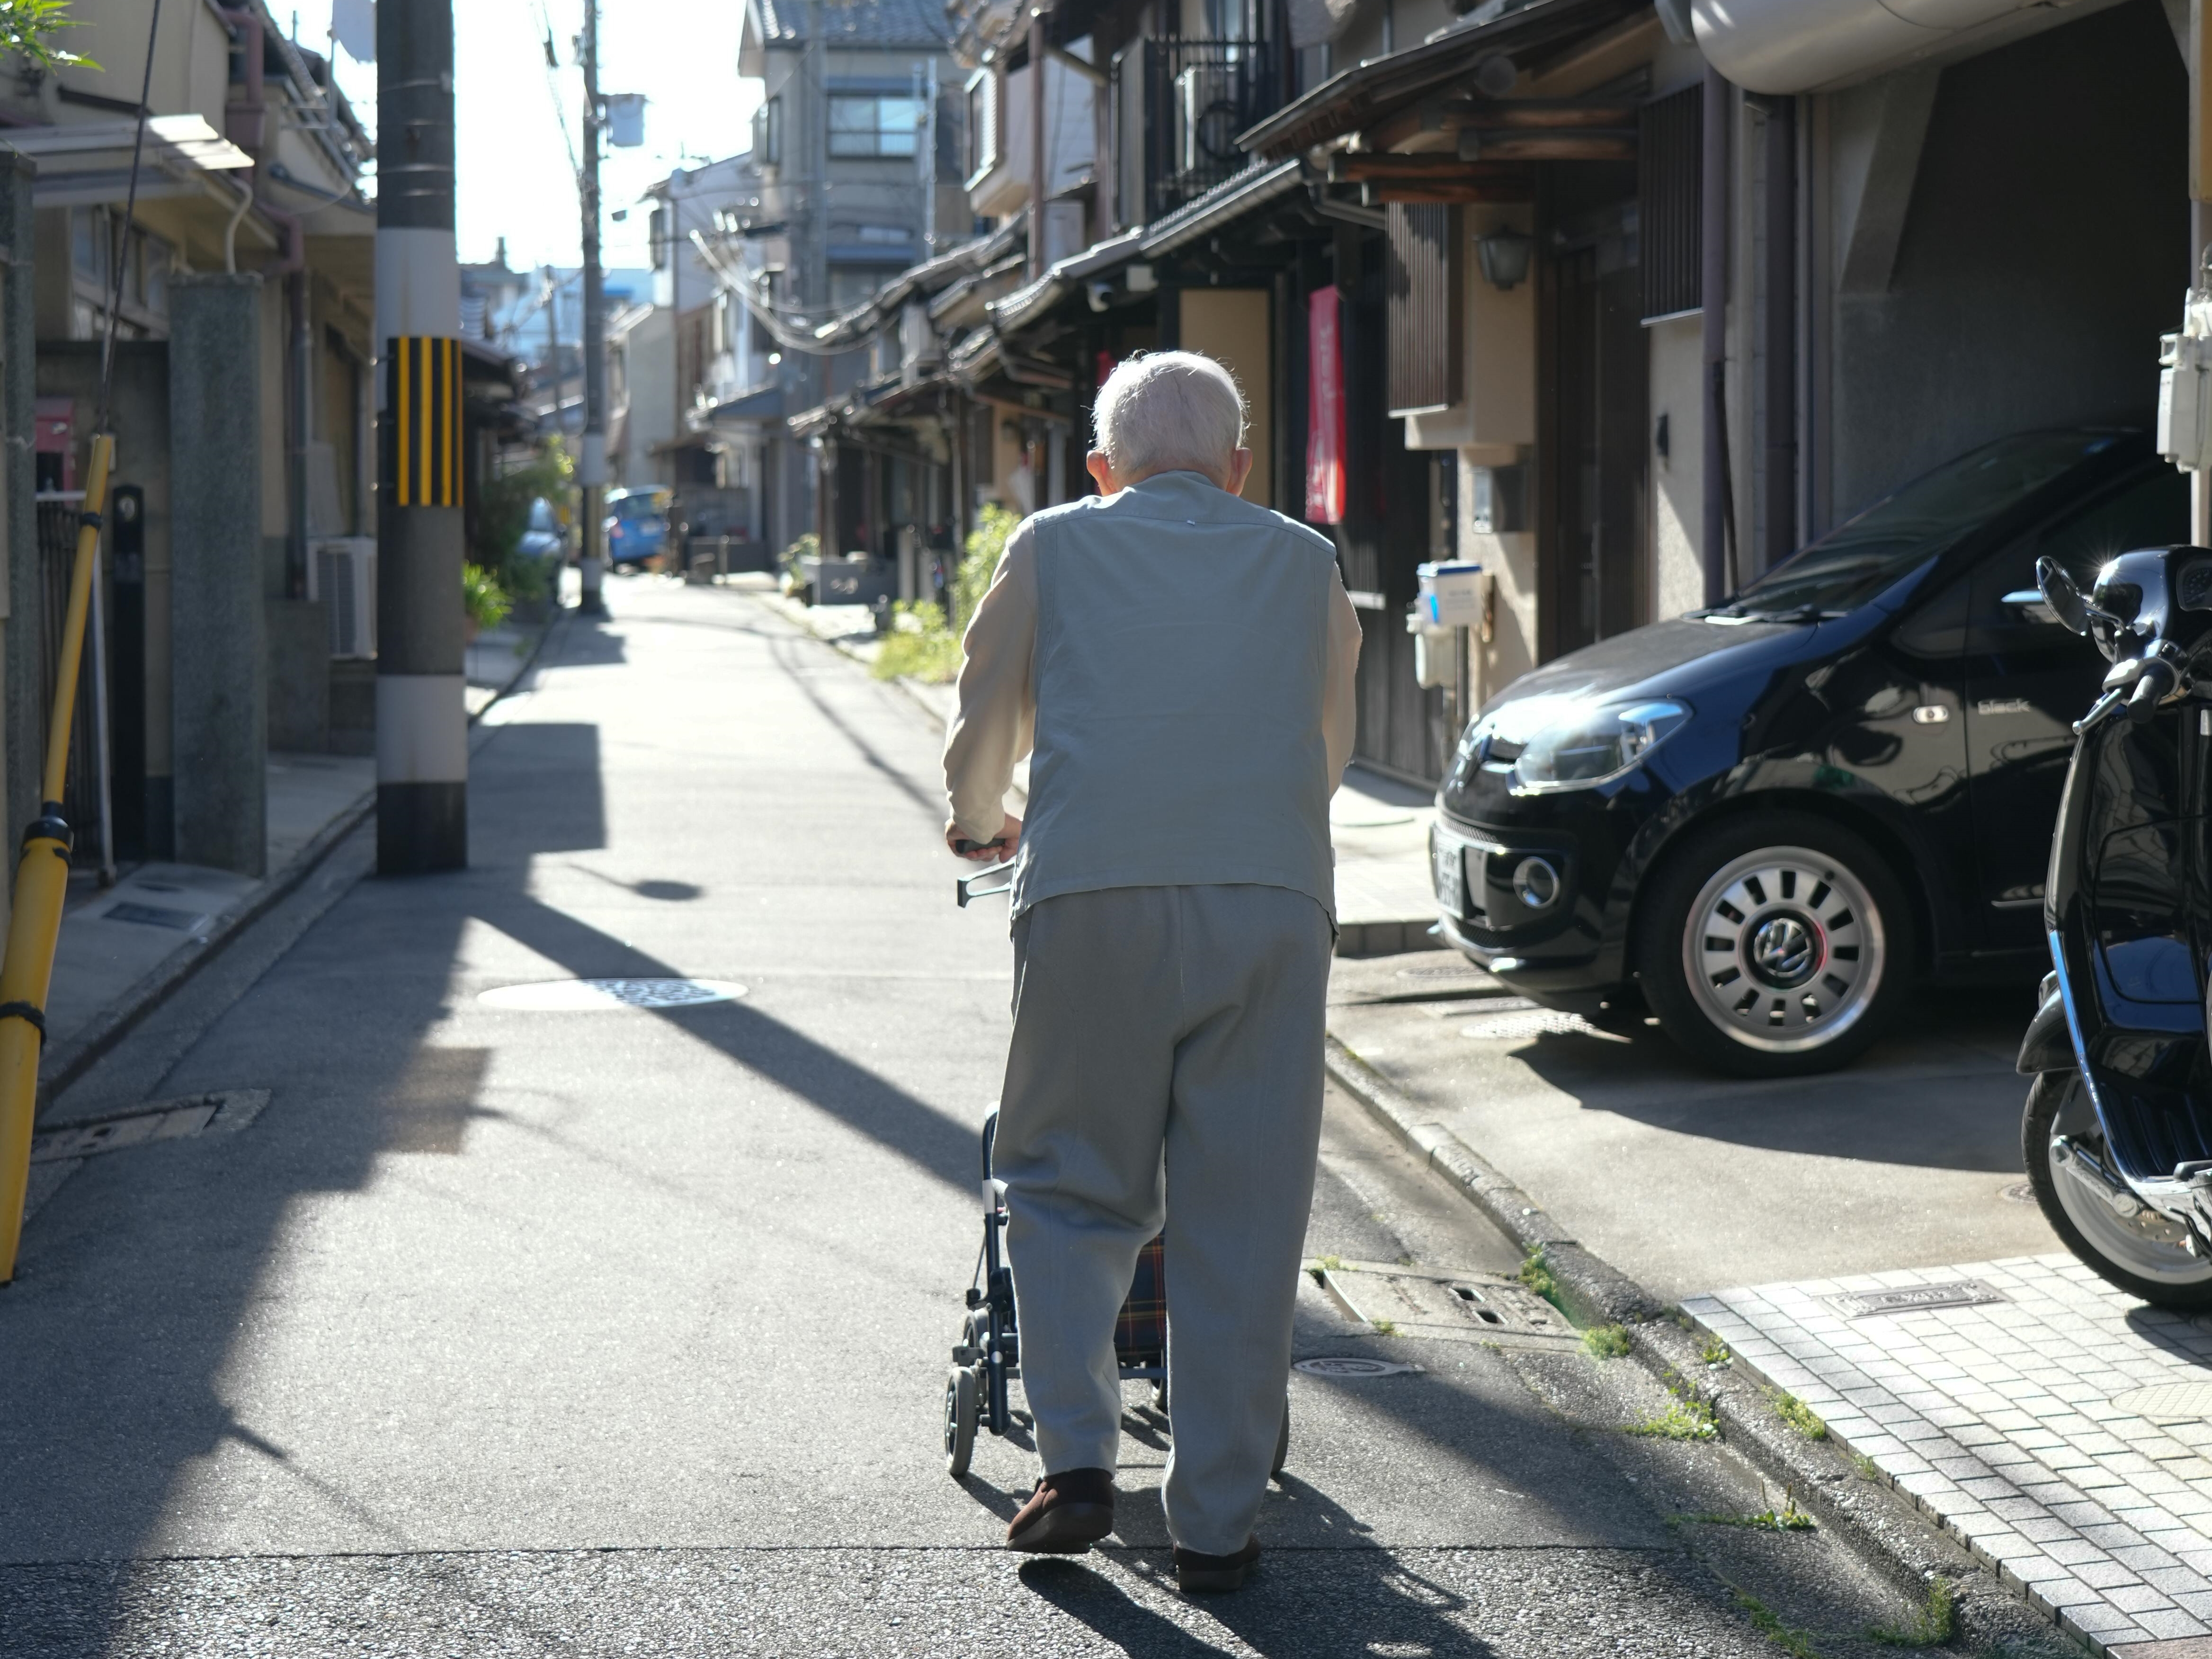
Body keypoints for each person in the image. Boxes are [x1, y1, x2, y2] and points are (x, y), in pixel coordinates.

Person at [942, 350, 1361, 1594]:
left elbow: (987, 706)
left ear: (1100, 468)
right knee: (1241, 1216)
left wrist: (979, 821)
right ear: (1240, 468)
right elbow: (1327, 736)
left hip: (1089, 901)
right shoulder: (1302, 558)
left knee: (1069, 1184)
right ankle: (1218, 1526)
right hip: (1270, 904)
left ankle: (1075, 1462)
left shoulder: (1057, 545)